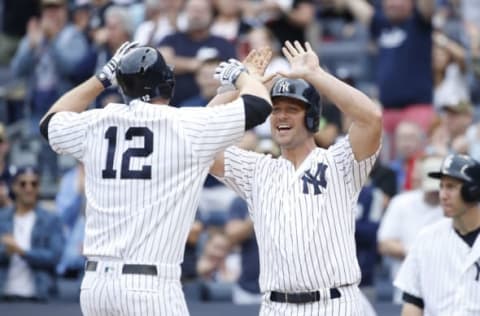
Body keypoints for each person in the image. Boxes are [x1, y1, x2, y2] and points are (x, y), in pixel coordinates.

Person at [39, 41, 273, 315]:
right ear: (167, 83)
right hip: (149, 287)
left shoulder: (99, 121)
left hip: (95, 287)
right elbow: (258, 104)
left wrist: (103, 77)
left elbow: (49, 121)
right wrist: (242, 76)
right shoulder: (184, 127)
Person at [210, 40, 382, 315]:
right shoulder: (257, 170)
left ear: (312, 118)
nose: (280, 116)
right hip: (276, 306)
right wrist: (240, 87)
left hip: (334, 304)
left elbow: (371, 118)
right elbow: (198, 142)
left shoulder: (339, 162)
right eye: (275, 109)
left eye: (292, 109)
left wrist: (316, 75)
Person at [394, 154, 480, 315]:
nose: (443, 195)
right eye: (441, 186)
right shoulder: (426, 238)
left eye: (451, 187)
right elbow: (413, 302)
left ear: (473, 192)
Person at [0, 166, 64, 302]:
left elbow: (55, 256)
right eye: (23, 184)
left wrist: (22, 252)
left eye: (34, 184)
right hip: (4, 298)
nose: (28, 189)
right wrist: (5, 251)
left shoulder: (51, 220)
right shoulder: (2, 218)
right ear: (14, 187)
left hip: (38, 299)